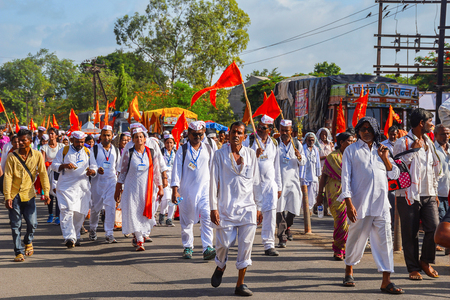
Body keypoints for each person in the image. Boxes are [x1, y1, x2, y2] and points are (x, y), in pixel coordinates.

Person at [340, 117, 403, 294]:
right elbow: (345, 178)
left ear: (375, 130)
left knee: (385, 241)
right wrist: (348, 202)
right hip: (360, 203)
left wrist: (385, 158)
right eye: (363, 129)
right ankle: (349, 268)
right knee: (356, 237)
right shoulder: (351, 150)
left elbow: (395, 175)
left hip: (381, 204)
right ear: (358, 131)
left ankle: (386, 281)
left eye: (369, 129)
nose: (366, 132)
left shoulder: (382, 149)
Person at [210, 121, 263, 296]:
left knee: (246, 246)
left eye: (240, 132)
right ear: (228, 134)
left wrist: (259, 206)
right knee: (224, 243)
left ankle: (240, 284)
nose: (236, 135)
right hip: (226, 207)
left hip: (248, 208)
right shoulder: (219, 155)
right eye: (233, 132)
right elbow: (212, 183)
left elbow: (256, 182)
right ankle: (220, 265)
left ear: (245, 136)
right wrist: (213, 207)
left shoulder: (250, 155)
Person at [394, 108, 441, 280]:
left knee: (434, 228)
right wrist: (412, 151)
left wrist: (434, 192)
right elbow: (396, 168)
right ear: (421, 123)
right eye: (430, 121)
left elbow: (432, 170)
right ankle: (413, 268)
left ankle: (425, 261)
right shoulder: (402, 142)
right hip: (408, 194)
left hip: (428, 193)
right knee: (410, 232)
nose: (432, 124)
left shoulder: (429, 142)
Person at [171, 121, 216, 260]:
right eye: (194, 134)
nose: (197, 136)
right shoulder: (182, 149)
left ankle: (208, 247)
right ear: (188, 134)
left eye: (200, 134)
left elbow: (215, 168)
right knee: (187, 221)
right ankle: (188, 247)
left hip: (205, 190)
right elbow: (176, 170)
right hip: (187, 191)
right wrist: (175, 190)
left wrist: (217, 187)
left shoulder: (209, 148)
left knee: (207, 218)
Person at [3, 129, 50, 262]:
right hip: (14, 195)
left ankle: (28, 241)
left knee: (32, 223)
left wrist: (46, 193)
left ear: (30, 141)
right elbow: (7, 177)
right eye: (19, 140)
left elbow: (43, 174)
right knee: (15, 225)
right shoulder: (12, 156)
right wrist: (7, 197)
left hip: (29, 194)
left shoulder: (37, 155)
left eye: (24, 140)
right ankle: (18, 252)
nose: (21, 142)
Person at [115, 127, 163, 251]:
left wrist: (160, 187)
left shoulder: (151, 153)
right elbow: (123, 171)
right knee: (133, 212)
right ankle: (140, 239)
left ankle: (138, 236)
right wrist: (118, 187)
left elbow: (157, 172)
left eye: (141, 136)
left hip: (146, 190)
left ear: (145, 139)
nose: (139, 139)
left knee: (144, 214)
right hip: (132, 189)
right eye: (136, 137)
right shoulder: (129, 153)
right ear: (133, 139)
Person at [243, 115, 282, 256]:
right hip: (252, 185)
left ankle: (269, 244)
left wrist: (279, 186)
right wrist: (254, 155)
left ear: (269, 130)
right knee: (251, 214)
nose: (259, 129)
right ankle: (246, 242)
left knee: (270, 214)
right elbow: (242, 159)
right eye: (258, 126)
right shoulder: (250, 140)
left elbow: (276, 166)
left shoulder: (274, 143)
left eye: (263, 128)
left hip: (270, 185)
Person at [51, 131, 98, 248]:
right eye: (78, 142)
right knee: (66, 211)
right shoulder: (64, 151)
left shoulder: (88, 151)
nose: (80, 144)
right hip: (66, 188)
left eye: (82, 142)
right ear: (72, 140)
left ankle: (76, 236)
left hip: (82, 189)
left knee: (79, 213)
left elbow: (94, 166)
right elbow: (54, 165)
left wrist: (92, 172)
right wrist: (64, 165)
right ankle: (69, 237)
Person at [316, 132, 355, 260]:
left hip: (353, 193)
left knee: (351, 223)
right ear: (341, 143)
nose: (352, 143)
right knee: (341, 222)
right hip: (336, 194)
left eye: (353, 140)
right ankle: (338, 249)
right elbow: (324, 177)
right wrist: (320, 194)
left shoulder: (354, 155)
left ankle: (347, 249)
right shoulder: (332, 157)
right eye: (349, 141)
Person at [276, 119, 306, 248]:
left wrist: (299, 156)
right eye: (282, 130)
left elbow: (303, 162)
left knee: (294, 209)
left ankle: (288, 226)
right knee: (279, 210)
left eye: (286, 131)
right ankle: (282, 237)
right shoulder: (275, 143)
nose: (284, 133)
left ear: (291, 131)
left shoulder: (297, 144)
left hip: (293, 181)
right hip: (279, 182)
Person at [89, 125, 121, 243]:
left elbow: (118, 168)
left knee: (111, 208)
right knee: (95, 208)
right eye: (104, 135)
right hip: (97, 183)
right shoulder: (94, 149)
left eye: (108, 135)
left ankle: (109, 233)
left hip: (111, 182)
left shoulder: (116, 151)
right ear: (100, 136)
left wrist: (119, 186)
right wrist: (97, 170)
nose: (106, 137)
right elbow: (92, 165)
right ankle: (93, 229)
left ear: (112, 136)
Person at [40, 127, 65, 225]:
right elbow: (42, 160)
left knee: (59, 193)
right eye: (49, 134)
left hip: (59, 171)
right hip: (49, 171)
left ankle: (58, 216)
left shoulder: (62, 146)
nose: (50, 135)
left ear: (57, 135)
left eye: (52, 134)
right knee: (50, 193)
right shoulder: (44, 147)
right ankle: (50, 214)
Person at [158, 134, 176, 226]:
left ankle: (169, 219)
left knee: (173, 200)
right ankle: (161, 213)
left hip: (173, 178)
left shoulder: (176, 153)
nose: (169, 145)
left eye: (171, 143)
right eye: (167, 142)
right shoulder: (161, 152)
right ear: (164, 143)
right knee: (166, 198)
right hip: (164, 178)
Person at [301, 132, 322, 212]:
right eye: (309, 140)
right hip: (304, 176)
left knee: (312, 194)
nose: (311, 142)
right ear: (306, 140)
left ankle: (310, 210)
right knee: (304, 195)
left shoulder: (315, 149)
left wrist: (318, 174)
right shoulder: (302, 148)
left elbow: (318, 162)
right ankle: (306, 210)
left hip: (313, 176)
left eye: (313, 140)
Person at [434, 124, 450, 223]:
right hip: (439, 195)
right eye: (443, 134)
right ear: (435, 134)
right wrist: (435, 196)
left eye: (448, 134)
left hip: (449, 195)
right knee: (441, 225)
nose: (446, 136)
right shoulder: (432, 150)